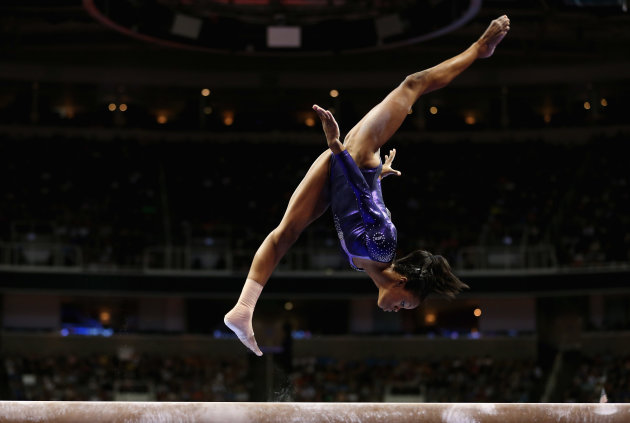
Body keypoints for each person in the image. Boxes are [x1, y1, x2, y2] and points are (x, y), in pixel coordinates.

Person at [225, 15, 511, 356]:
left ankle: (243, 309)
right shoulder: (382, 251)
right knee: (413, 84)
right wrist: (338, 148)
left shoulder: (364, 264)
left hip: (345, 171)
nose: (398, 312)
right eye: (405, 306)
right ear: (402, 283)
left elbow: (367, 205)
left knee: (285, 234)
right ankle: (479, 49)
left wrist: (376, 175)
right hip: (355, 157)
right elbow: (362, 195)